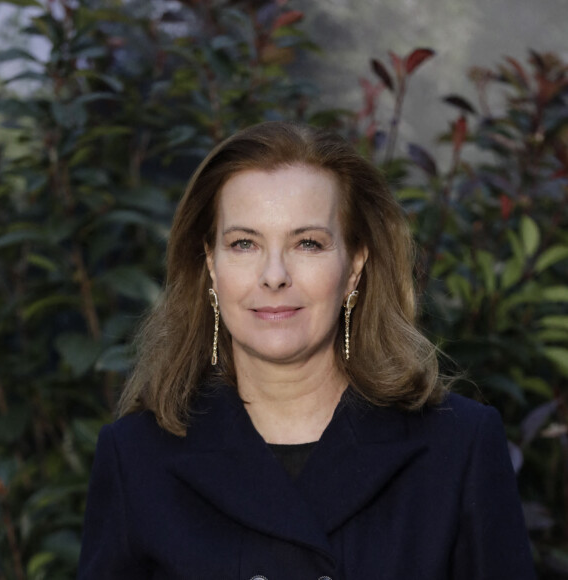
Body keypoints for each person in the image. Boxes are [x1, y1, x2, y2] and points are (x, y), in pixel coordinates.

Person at [78, 121, 535, 579]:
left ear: (354, 266)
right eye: (244, 243)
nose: (274, 275)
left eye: (308, 243)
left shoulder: (459, 448)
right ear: (211, 265)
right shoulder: (134, 459)